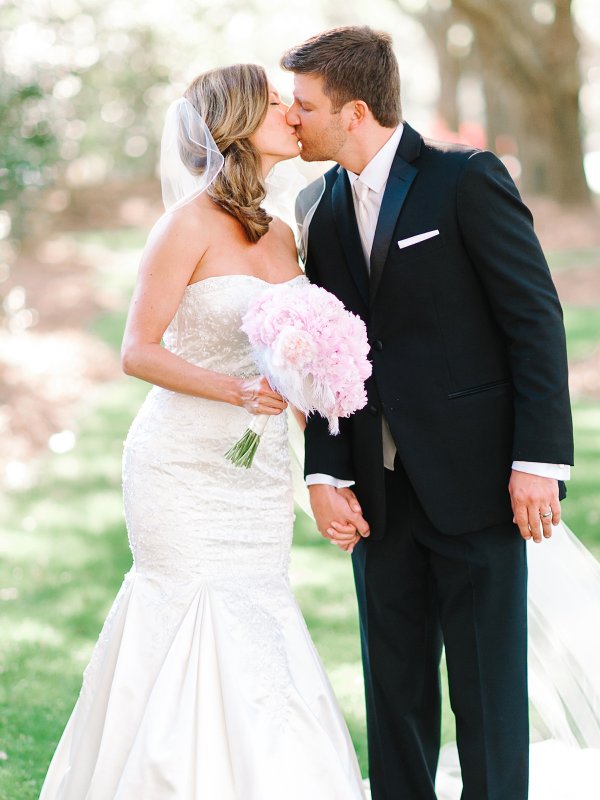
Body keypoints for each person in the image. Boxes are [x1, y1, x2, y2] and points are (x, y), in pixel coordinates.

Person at [38, 64, 366, 799]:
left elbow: (296, 355)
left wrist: (327, 442)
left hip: (254, 477)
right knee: (187, 614)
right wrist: (236, 389)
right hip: (181, 467)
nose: (292, 111)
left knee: (258, 614)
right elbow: (137, 350)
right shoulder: (184, 224)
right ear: (238, 124)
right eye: (276, 102)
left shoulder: (285, 233)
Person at [281, 26, 575, 800]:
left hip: (477, 481)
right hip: (379, 500)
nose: (291, 119)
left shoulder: (465, 177)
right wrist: (326, 470)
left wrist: (537, 461)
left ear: (352, 112)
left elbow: (534, 319)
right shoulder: (318, 205)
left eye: (304, 105)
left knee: (486, 696)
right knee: (394, 695)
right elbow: (328, 354)